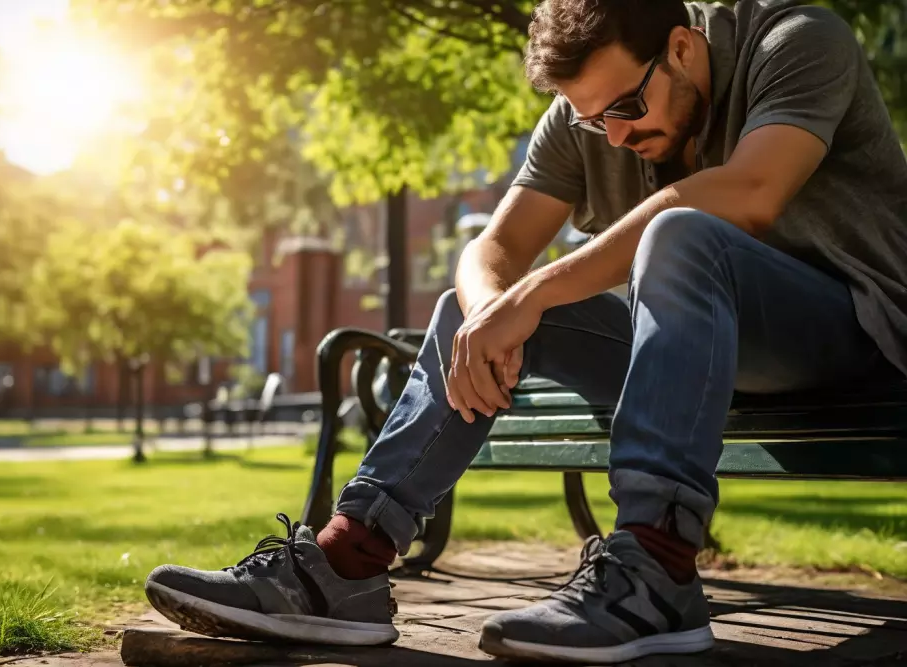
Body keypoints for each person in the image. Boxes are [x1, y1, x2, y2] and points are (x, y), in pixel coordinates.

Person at [143, 0, 907, 662]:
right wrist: (489, 316)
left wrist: (531, 294)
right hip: (694, 350)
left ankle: (658, 567)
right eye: (591, 118)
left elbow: (751, 191)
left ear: (680, 46)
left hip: (850, 337)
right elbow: (493, 251)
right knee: (472, 306)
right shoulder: (591, 115)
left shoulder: (797, 38)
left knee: (678, 233)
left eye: (626, 110)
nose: (611, 136)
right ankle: (346, 560)